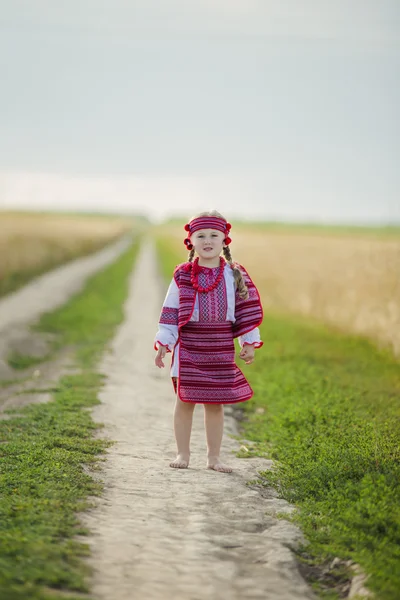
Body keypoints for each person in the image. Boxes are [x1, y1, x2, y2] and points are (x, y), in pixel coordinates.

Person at [154, 210, 263, 473]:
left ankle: (214, 458)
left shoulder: (235, 274)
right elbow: (170, 310)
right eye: (200, 235)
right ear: (190, 241)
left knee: (215, 403)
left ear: (225, 239)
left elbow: (246, 308)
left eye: (214, 235)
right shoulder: (183, 274)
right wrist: (164, 343)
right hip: (190, 343)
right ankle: (183, 453)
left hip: (220, 344)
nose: (208, 240)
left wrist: (248, 342)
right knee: (185, 400)